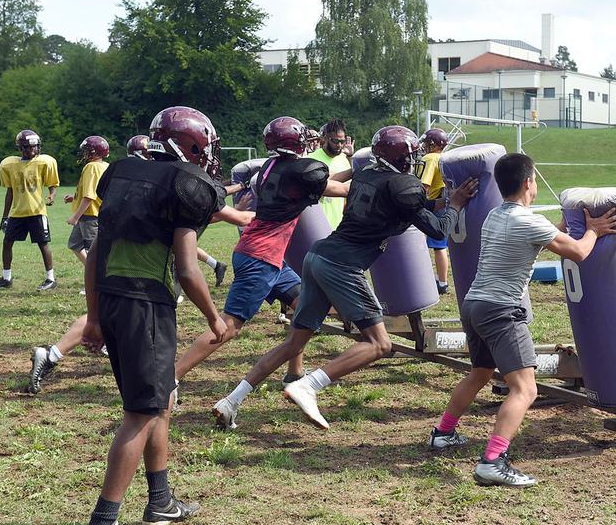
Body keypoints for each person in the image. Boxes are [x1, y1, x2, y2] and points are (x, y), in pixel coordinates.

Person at [215, 125, 477, 430]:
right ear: (403, 158)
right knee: (380, 344)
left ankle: (232, 400)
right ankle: (308, 385)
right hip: (342, 265)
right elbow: (438, 230)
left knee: (295, 342)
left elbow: (410, 207)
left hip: (318, 256)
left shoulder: (365, 174)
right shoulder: (403, 187)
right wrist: (455, 204)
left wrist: (441, 203)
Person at [80, 106, 251, 525]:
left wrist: (93, 316)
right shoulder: (186, 184)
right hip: (147, 306)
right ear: (191, 145)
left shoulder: (120, 172)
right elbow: (189, 268)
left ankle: (160, 501)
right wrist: (214, 318)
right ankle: (104, 517)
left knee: (159, 404)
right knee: (140, 414)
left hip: (113, 299)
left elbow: (96, 253)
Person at [427, 153, 616, 487]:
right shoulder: (528, 221)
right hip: (501, 310)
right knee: (525, 389)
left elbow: (540, 240)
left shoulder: (496, 216)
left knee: (479, 373)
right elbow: (577, 252)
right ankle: (492, 461)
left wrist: (569, 229)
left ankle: (442, 433)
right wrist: (593, 230)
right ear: (529, 182)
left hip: (474, 304)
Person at [172, 116, 348, 429]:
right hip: (260, 257)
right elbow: (339, 188)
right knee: (228, 326)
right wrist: (368, 171)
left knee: (304, 309)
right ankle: (171, 378)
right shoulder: (298, 171)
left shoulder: (268, 168)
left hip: (268, 257)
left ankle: (295, 372)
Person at [26, 242, 249, 395]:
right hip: (142, 269)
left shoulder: (126, 179)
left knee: (109, 314)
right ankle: (162, 387)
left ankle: (52, 354)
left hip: (122, 260)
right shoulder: (167, 185)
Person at [126, 134, 229, 287]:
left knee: (179, 250)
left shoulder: (169, 175)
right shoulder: (165, 173)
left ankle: (177, 287)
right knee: (181, 246)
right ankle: (215, 265)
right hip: (162, 224)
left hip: (163, 225)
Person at [0, 130, 60, 291]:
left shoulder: (44, 163)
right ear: (21, 148)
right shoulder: (10, 164)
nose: (33, 150)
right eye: (28, 147)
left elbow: (52, 185)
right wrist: (4, 216)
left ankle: (51, 278)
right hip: (17, 213)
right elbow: (10, 192)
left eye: (35, 147)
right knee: (7, 243)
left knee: (43, 244)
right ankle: (6, 278)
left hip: (37, 211)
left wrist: (52, 196)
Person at [65, 136, 109, 294]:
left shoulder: (91, 167)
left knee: (94, 252)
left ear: (94, 152)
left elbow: (90, 196)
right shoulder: (105, 166)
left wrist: (75, 216)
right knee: (75, 244)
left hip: (90, 216)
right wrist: (74, 198)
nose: (84, 154)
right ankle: (94, 274)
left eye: (87, 151)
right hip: (95, 213)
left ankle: (98, 280)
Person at [418, 128, 452, 294]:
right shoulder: (444, 158)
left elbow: (424, 184)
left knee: (423, 244)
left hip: (431, 204)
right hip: (443, 202)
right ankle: (443, 282)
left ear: (433, 144)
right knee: (440, 246)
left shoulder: (430, 158)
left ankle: (425, 279)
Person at [307, 119, 353, 229]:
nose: (339, 145)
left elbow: (347, 196)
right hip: (317, 227)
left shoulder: (343, 159)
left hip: (338, 227)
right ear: (325, 138)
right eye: (335, 141)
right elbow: (327, 183)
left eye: (342, 142)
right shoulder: (310, 160)